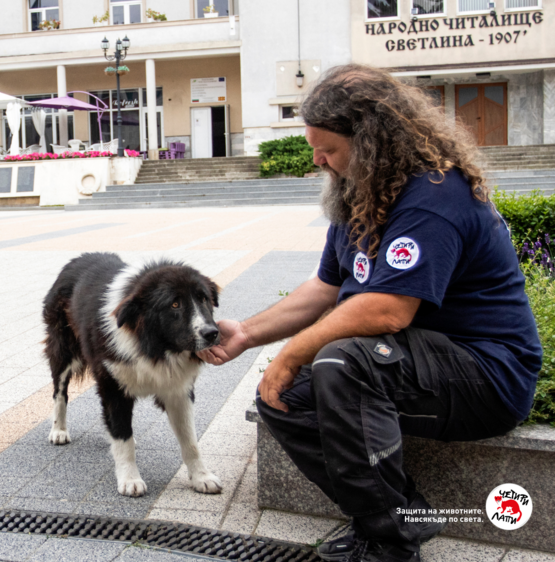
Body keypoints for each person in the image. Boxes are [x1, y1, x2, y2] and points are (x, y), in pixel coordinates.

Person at [197, 64, 541, 562]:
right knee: (281, 397)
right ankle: (396, 516)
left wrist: (291, 353)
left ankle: (389, 547)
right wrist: (247, 334)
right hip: (411, 364)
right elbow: (326, 288)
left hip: (485, 375)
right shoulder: (361, 194)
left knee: (339, 361)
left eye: (329, 148)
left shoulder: (435, 197)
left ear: (374, 139)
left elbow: (387, 311)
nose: (318, 159)